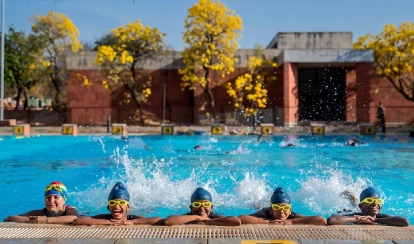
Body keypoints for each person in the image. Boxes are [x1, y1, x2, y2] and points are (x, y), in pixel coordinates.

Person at [72, 182, 163, 226]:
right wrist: (107, 222)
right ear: (108, 207)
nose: (116, 206)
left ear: (128, 207)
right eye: (112, 203)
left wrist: (133, 222)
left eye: (121, 202)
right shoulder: (105, 217)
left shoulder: (133, 218)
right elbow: (77, 221)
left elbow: (159, 220)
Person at [238, 187, 327, 225]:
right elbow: (241, 218)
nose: (281, 211)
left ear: (290, 209)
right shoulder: (265, 213)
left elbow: (321, 220)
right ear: (271, 209)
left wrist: (291, 222)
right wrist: (269, 222)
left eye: (285, 208)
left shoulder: (292, 215)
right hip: (263, 209)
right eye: (276, 208)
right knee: (256, 205)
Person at [4, 181, 80, 224]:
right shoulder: (41, 213)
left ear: (64, 199)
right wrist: (32, 220)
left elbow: (75, 217)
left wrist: (46, 220)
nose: (51, 201)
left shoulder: (70, 210)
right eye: (48, 197)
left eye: (56, 197)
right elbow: (9, 218)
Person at [327, 187, 409, 226]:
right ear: (361, 205)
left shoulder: (382, 217)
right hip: (354, 211)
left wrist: (374, 219)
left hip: (364, 211)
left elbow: (404, 222)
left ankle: (353, 199)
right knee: (352, 208)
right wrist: (357, 218)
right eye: (369, 201)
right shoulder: (354, 215)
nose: (374, 204)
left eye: (378, 201)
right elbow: (331, 220)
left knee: (355, 205)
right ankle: (352, 198)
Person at [164, 187, 241, 226]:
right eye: (197, 204)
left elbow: (236, 221)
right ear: (191, 208)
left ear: (211, 207)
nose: (201, 209)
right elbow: (168, 221)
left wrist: (207, 221)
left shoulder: (213, 216)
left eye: (206, 205)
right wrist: (196, 217)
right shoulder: (187, 217)